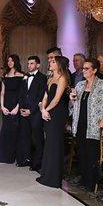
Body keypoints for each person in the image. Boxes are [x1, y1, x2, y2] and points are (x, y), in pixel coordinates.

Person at [70, 58, 103, 191]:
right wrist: (72, 99)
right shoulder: (80, 85)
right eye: (83, 68)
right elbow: (75, 104)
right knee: (82, 153)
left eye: (86, 68)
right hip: (80, 123)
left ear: (94, 70)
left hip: (94, 125)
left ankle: (92, 181)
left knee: (91, 154)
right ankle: (84, 178)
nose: (83, 71)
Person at [36, 55, 70, 188]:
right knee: (49, 143)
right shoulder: (50, 78)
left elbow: (56, 99)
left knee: (55, 144)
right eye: (50, 61)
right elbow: (45, 96)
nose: (50, 62)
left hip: (58, 113)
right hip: (49, 111)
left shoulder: (63, 78)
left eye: (53, 61)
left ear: (59, 64)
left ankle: (54, 178)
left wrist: (46, 110)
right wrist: (43, 109)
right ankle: (46, 175)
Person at [17, 56, 47, 169]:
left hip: (35, 113)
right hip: (24, 111)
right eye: (28, 63)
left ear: (38, 65)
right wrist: (21, 108)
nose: (29, 65)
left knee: (37, 138)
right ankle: (27, 159)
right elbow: (21, 93)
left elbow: (41, 96)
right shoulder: (25, 76)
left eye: (32, 63)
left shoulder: (42, 78)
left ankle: (38, 162)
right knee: (25, 136)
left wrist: (31, 110)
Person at [0, 55, 25, 164]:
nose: (9, 62)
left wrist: (17, 107)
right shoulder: (5, 75)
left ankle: (16, 157)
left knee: (16, 131)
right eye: (8, 60)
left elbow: (22, 94)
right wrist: (2, 106)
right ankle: (4, 156)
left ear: (16, 61)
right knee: (6, 130)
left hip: (16, 105)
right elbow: (2, 93)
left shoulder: (22, 75)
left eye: (12, 60)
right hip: (6, 105)